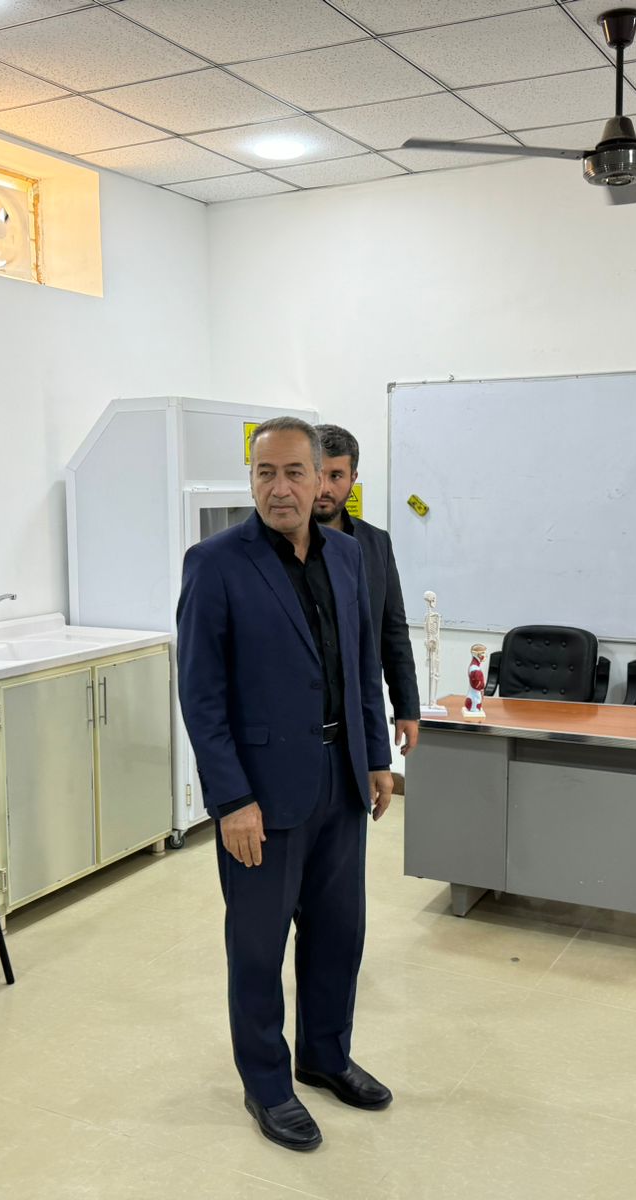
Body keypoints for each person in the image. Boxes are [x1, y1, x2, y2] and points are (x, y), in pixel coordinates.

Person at [176, 415, 395, 1153]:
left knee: (339, 934)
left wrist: (375, 756)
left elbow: (360, 665)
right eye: (264, 473)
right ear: (251, 479)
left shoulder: (346, 555)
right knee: (258, 946)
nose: (280, 488)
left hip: (341, 780)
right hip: (263, 798)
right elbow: (201, 696)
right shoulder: (216, 563)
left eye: (294, 472)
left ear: (322, 478)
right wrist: (231, 800)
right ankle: (267, 1084)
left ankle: (325, 1056)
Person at [313, 424, 422, 755]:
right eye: (316, 474)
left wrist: (407, 707)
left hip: (357, 716)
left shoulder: (375, 544)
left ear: (353, 478)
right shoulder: (280, 547)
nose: (323, 488)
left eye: (336, 475)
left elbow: (392, 630)